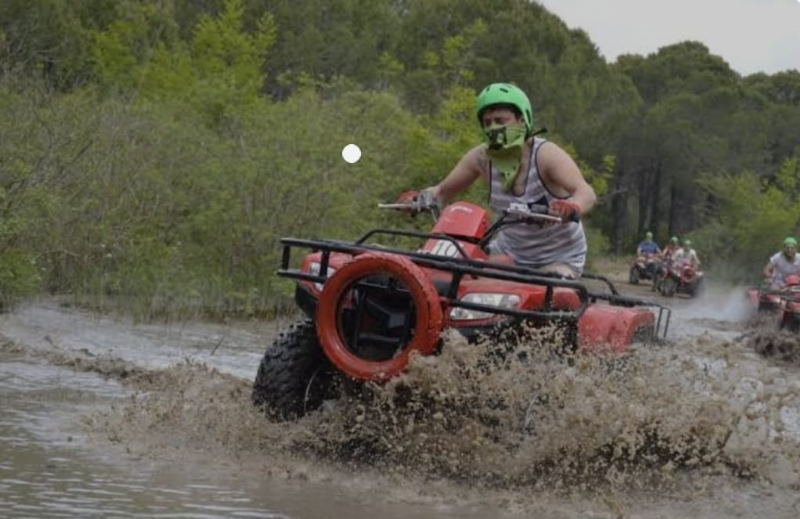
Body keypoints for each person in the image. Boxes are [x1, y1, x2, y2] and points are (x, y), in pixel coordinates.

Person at [413, 82, 596, 278]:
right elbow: (442, 192)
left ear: (521, 120)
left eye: (501, 120)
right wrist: (418, 198)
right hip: (509, 252)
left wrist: (572, 207)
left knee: (547, 295)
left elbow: (586, 193)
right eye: (487, 122)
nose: (494, 128)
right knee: (462, 282)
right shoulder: (481, 159)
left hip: (558, 258)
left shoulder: (545, 155)